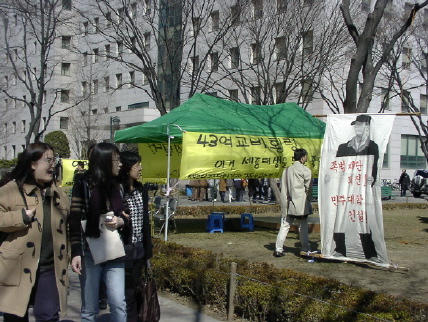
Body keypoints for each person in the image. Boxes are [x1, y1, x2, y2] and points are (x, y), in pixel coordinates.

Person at [0, 143, 71, 321]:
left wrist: (73, 253)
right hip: (16, 267)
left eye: (54, 160)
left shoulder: (58, 194)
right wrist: (20, 217)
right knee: (15, 316)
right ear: (33, 164)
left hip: (49, 268)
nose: (52, 165)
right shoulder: (10, 190)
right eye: (48, 160)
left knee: (48, 315)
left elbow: (69, 227)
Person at [70, 143, 129, 322]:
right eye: (116, 160)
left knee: (118, 302)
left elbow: (126, 214)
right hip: (89, 251)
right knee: (89, 307)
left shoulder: (118, 185)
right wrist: (76, 252)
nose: (120, 164)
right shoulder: (83, 184)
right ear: (104, 161)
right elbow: (74, 218)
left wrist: (122, 220)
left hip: (114, 250)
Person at [118, 151, 153, 322]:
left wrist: (148, 249)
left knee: (134, 288)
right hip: (121, 248)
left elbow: (145, 222)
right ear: (126, 169)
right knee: (124, 292)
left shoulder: (141, 190)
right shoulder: (118, 190)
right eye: (136, 165)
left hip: (138, 248)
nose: (140, 168)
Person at [274, 148, 313, 257]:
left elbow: (284, 188)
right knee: (303, 227)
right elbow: (309, 188)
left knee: (284, 226)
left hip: (288, 202)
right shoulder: (306, 170)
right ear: (302, 158)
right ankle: (305, 248)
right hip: (301, 203)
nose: (306, 158)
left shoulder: (286, 170)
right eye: (305, 156)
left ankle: (278, 249)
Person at [336, 114, 379, 186]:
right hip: (346, 187)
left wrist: (372, 178)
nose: (356, 127)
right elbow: (337, 169)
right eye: (355, 125)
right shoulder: (343, 147)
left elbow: (374, 167)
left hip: (363, 187)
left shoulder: (373, 147)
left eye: (359, 125)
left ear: (367, 127)